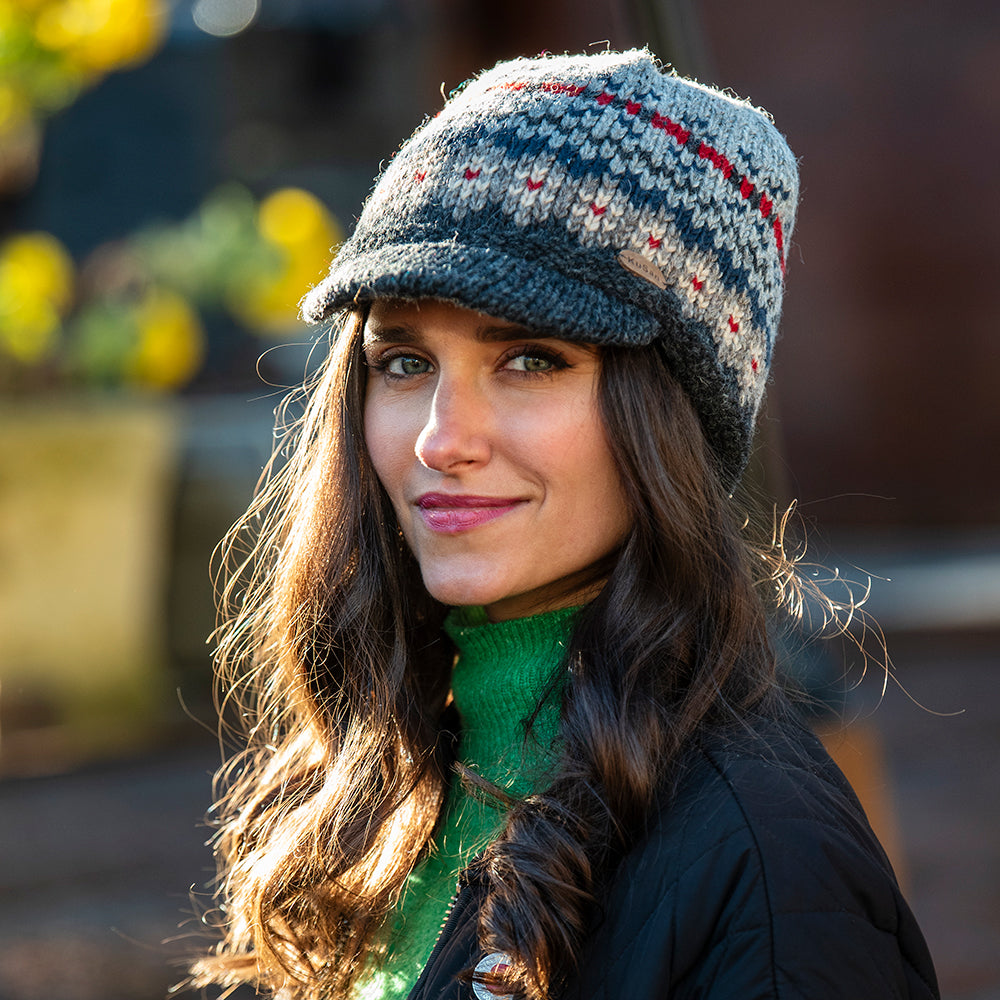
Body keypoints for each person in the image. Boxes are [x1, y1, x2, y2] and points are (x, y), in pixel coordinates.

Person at [191, 49, 939, 1000]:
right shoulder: (386, 776)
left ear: (668, 414)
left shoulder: (768, 859)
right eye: (405, 362)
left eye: (532, 361)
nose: (440, 439)